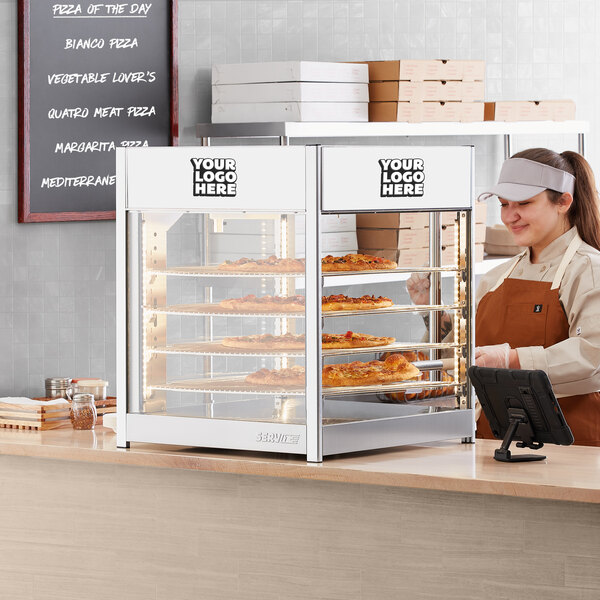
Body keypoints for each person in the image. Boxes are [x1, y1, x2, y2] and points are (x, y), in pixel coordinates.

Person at [407, 148, 600, 446]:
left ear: (563, 201)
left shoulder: (588, 269)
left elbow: (593, 357)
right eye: (504, 204)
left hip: (571, 449)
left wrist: (511, 359)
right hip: (494, 442)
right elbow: (465, 358)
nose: (510, 216)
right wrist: (431, 311)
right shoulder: (497, 278)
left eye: (524, 203)